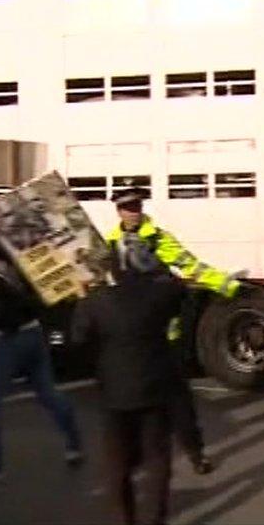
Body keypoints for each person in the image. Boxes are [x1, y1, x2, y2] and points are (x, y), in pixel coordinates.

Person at [106, 184, 243, 475]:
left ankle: (196, 453)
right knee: (130, 399)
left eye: (138, 206)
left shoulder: (157, 239)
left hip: (163, 332)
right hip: (131, 332)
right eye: (128, 207)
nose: (134, 212)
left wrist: (225, 284)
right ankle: (135, 459)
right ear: (118, 210)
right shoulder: (108, 244)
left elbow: (189, 266)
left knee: (178, 400)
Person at [72, 267, 187, 525]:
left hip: (115, 392)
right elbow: (181, 291)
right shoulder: (159, 296)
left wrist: (82, 299)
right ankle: (156, 518)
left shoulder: (97, 301)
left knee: (118, 463)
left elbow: (79, 339)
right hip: (154, 388)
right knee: (157, 458)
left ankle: (125, 519)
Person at [0, 233, 83, 492]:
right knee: (48, 393)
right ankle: (74, 445)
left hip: (9, 341)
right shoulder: (30, 265)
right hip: (34, 333)